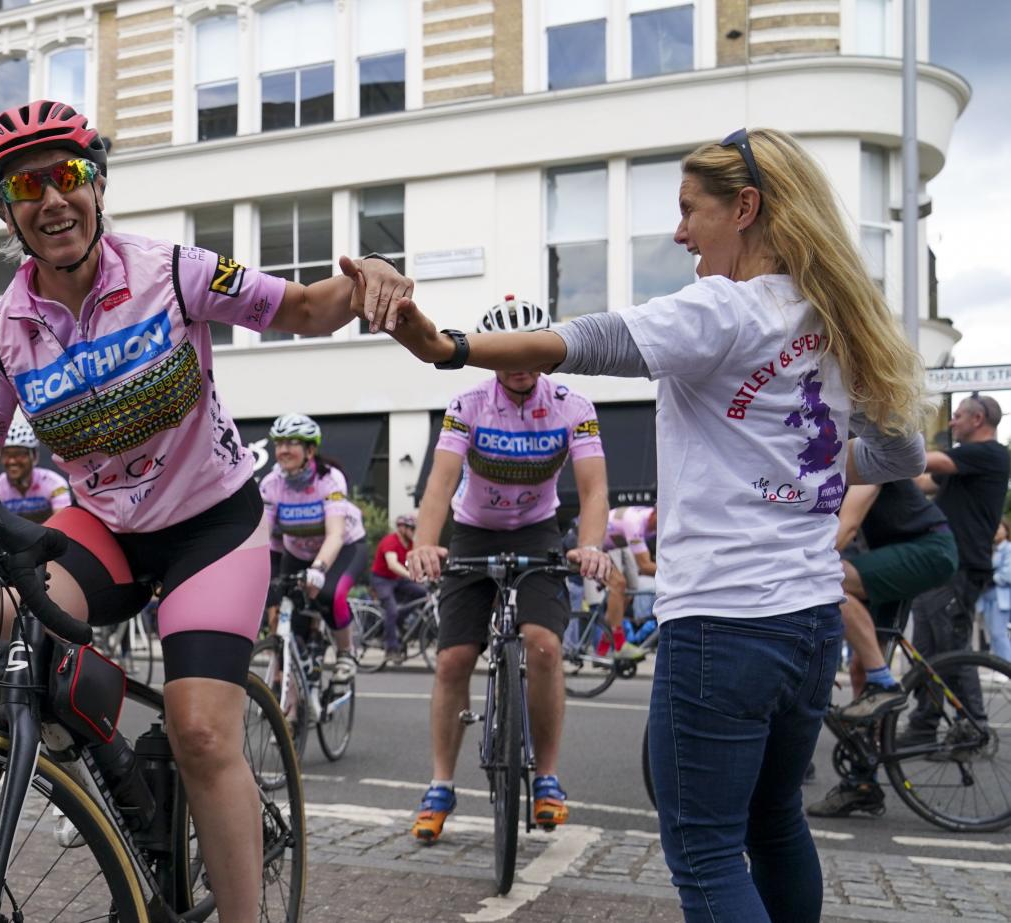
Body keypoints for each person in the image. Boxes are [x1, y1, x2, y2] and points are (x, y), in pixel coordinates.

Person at [0, 98, 414, 921]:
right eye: (28, 187)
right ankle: (126, 792)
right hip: (110, 527)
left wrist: (365, 284)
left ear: (98, 185)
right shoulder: (1, 335)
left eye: (69, 175)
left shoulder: (175, 270)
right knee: (2, 614)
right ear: (6, 212)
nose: (53, 198)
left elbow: (307, 309)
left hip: (211, 522)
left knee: (203, 730)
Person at [368, 128, 925, 922]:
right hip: (809, 621)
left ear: (746, 208)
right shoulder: (832, 313)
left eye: (688, 210)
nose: (678, 232)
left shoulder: (726, 307)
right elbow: (899, 453)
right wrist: (809, 464)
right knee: (776, 825)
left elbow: (593, 339)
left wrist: (448, 345)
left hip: (725, 620)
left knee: (702, 849)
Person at [406, 295, 611, 843]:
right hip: (473, 531)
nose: (519, 364)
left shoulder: (575, 406)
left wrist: (592, 546)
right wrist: (425, 543)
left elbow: (593, 491)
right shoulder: (467, 402)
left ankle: (546, 777)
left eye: (530, 353)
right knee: (453, 659)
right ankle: (441, 785)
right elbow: (440, 482)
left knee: (543, 645)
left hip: (539, 530)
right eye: (507, 355)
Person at [806, 478, 958, 818]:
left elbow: (844, 531)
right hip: (898, 554)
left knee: (828, 575)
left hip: (928, 549)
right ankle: (863, 783)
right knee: (859, 668)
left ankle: (883, 680)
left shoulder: (867, 462)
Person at [903, 393, 1010, 745]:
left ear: (978, 420)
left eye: (958, 415)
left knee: (952, 649)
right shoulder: (964, 467)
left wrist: (885, 447)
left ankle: (973, 726)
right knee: (929, 651)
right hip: (940, 566)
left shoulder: (987, 454)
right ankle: (924, 726)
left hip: (960, 566)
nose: (952, 422)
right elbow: (922, 482)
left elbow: (925, 463)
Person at [259, 413, 367, 686]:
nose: (283, 450)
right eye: (278, 443)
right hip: (294, 552)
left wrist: (319, 569)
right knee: (281, 609)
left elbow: (335, 533)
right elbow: (263, 537)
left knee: (330, 593)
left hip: (342, 548)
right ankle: (291, 707)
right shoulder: (271, 484)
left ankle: (346, 651)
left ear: (310, 449)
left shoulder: (329, 480)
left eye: (291, 443)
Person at [0, 415, 72, 570]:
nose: (12, 461)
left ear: (34, 456)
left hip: (47, 549)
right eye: (7, 454)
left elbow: (63, 525)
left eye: (19, 454)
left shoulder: (54, 484)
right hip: (12, 554)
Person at [601, 505, 658, 658]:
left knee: (628, 593)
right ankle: (620, 645)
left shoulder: (653, 524)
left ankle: (602, 649)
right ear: (654, 513)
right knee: (618, 584)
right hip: (591, 545)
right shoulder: (636, 523)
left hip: (613, 546)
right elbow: (645, 566)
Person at [370, 514, 428, 663]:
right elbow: (392, 564)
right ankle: (391, 649)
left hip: (397, 580)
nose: (414, 531)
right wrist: (412, 576)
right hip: (382, 580)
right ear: (402, 528)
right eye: (411, 528)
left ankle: (398, 619)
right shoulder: (390, 541)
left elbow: (416, 563)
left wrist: (427, 574)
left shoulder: (409, 544)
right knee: (392, 610)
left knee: (423, 593)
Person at [977, 516, 1011, 663]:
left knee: (999, 633)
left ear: (1006, 529)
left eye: (999, 527)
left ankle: (1007, 666)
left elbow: (1008, 574)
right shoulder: (991, 550)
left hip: (1000, 597)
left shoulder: (1008, 549)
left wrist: (990, 578)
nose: (995, 531)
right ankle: (999, 666)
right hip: (986, 599)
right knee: (991, 634)